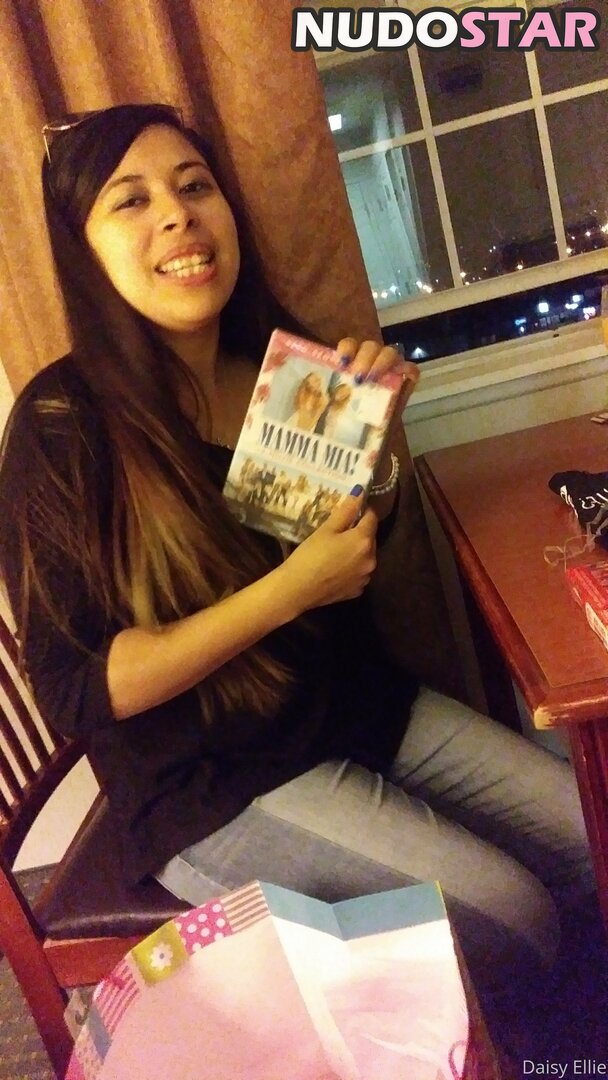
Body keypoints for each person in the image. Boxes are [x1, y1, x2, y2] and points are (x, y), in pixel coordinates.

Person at [0, 104, 600, 1057]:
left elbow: (342, 558)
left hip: (355, 707)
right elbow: (81, 687)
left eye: (195, 187)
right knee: (516, 916)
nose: (178, 215)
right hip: (211, 783)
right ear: (83, 248)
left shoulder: (284, 369)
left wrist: (375, 444)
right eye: (132, 200)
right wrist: (290, 591)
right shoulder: (62, 424)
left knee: (592, 833)